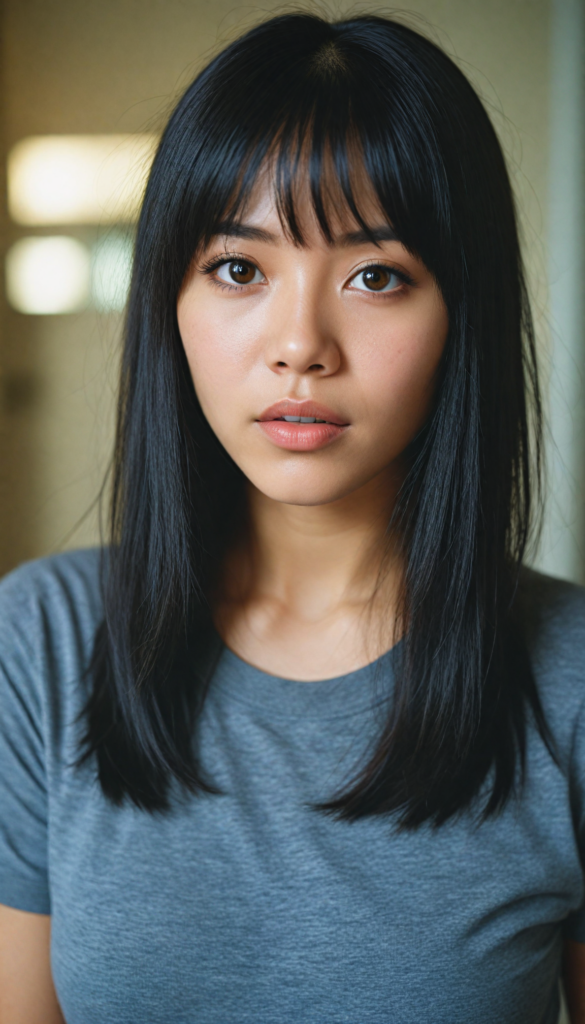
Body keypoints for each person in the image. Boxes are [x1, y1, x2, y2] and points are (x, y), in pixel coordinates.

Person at [0, 11, 584, 1024]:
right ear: (168, 301)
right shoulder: (38, 641)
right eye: (240, 267)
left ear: (463, 315)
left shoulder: (570, 678)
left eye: (376, 274)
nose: (300, 344)